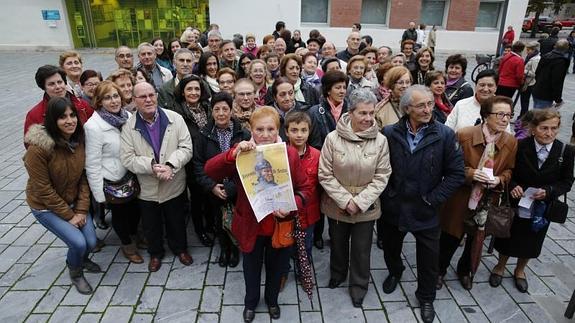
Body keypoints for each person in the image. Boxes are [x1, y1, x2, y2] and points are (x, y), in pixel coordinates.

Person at [204, 106, 312, 322]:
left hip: (279, 224)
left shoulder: (289, 153)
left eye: (271, 129)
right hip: (251, 225)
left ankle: (272, 301)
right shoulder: (243, 152)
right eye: (259, 129)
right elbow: (210, 170)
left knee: (277, 267)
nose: (265, 134)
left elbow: (305, 188)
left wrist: (294, 204)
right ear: (250, 129)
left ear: (278, 130)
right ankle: (250, 302)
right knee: (251, 268)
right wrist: (233, 153)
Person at [380, 85, 465, 323]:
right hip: (394, 207)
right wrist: (388, 195)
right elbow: (380, 169)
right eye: (421, 105)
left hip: (426, 209)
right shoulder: (389, 133)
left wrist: (433, 199)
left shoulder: (445, 135)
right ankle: (395, 272)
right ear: (407, 108)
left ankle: (426, 296)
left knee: (429, 259)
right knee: (391, 248)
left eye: (429, 103)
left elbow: (456, 173)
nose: (428, 109)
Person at [319, 88, 391, 307]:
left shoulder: (380, 141)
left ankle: (359, 285)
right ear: (350, 113)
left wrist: (359, 202)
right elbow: (325, 173)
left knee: (361, 249)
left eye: (371, 113)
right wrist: (345, 200)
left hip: (365, 207)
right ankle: (338, 273)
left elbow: (382, 175)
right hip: (336, 204)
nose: (368, 118)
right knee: (338, 243)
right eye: (363, 113)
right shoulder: (332, 138)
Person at [438, 95, 518, 291]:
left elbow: (509, 170)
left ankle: (465, 271)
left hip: (488, 199)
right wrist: (472, 173)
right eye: (500, 114)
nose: (505, 119)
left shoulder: (510, 141)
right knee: (450, 236)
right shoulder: (464, 135)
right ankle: (438, 270)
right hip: (460, 196)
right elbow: (448, 166)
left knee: (476, 239)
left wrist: (500, 179)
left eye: (509, 115)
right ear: (485, 115)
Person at [491, 108, 574, 293]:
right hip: (517, 201)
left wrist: (549, 191)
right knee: (509, 234)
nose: (549, 133)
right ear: (533, 128)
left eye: (554, 128)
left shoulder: (565, 151)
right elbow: (507, 169)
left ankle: (520, 270)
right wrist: (513, 185)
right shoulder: (520, 145)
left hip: (542, 207)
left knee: (533, 238)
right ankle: (500, 265)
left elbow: (567, 181)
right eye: (544, 128)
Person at [24, 96, 101, 294]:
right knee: (77, 242)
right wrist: (70, 216)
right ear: (52, 120)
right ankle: (75, 272)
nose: (70, 121)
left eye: (72, 115)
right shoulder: (38, 149)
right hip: (46, 206)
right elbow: (43, 189)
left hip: (74, 202)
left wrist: (82, 209)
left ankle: (80, 259)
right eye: (62, 117)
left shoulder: (78, 140)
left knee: (91, 243)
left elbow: (83, 178)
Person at [120, 82, 194, 272]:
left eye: (151, 95)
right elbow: (127, 158)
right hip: (147, 188)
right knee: (151, 225)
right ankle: (155, 253)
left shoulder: (175, 119)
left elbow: (186, 148)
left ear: (157, 96)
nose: (148, 100)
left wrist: (171, 165)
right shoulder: (129, 127)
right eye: (142, 97)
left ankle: (180, 249)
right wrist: (151, 166)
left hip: (173, 182)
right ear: (134, 100)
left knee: (176, 220)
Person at [84, 81, 143, 264]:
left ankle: (135, 236)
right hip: (112, 180)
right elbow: (92, 162)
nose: (113, 101)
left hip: (131, 174)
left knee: (135, 211)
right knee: (120, 215)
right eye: (107, 98)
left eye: (116, 96)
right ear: (99, 102)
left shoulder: (127, 116)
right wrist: (98, 194)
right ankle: (127, 245)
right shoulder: (93, 126)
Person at [193, 92, 250, 267]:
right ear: (212, 112)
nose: (221, 113)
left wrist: (233, 186)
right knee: (219, 221)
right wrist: (211, 186)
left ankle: (234, 249)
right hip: (214, 188)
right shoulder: (203, 135)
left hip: (236, 188)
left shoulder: (243, 134)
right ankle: (224, 249)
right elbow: (198, 164)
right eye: (217, 109)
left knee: (236, 220)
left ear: (231, 110)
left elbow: (248, 166)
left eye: (225, 109)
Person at [171, 75, 214, 247]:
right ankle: (200, 230)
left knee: (210, 194)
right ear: (182, 92)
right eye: (189, 89)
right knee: (197, 198)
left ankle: (211, 225)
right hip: (191, 161)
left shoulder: (207, 107)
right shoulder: (177, 112)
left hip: (208, 158)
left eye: (197, 89)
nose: (194, 92)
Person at [284, 111, 320, 260]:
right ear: (286, 132)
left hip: (308, 212)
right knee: (285, 244)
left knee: (306, 245)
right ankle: (283, 272)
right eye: (294, 130)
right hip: (285, 212)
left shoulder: (317, 155)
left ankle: (303, 270)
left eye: (303, 130)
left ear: (309, 131)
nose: (299, 135)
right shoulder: (280, 154)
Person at [25, 65, 94, 142]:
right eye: (51, 84)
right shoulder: (34, 114)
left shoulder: (83, 106)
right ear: (43, 87)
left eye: (60, 82)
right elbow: (30, 145)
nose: (57, 87)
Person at [532, 39, 570, 109]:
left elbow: (537, 73)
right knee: (540, 117)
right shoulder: (560, 62)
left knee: (536, 114)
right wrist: (558, 99)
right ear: (567, 48)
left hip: (537, 89)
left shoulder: (545, 56)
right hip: (546, 94)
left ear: (555, 46)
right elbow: (557, 82)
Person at [519, 41, 541, 118]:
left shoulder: (536, 59)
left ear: (534, 50)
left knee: (525, 101)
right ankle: (522, 115)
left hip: (529, 83)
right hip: (525, 81)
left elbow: (534, 73)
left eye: (529, 50)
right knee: (523, 100)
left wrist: (523, 70)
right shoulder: (530, 57)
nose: (527, 51)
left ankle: (523, 117)